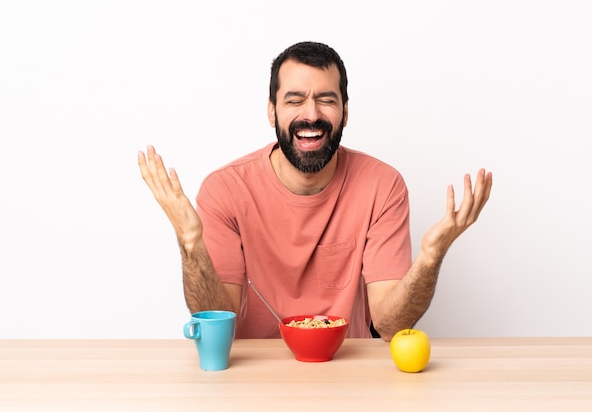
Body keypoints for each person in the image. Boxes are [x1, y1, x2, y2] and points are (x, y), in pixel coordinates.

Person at [138, 41, 492, 341]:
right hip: (252, 378)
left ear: (345, 112)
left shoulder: (382, 186)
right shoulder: (226, 189)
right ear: (272, 112)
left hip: (347, 372)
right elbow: (219, 325)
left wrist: (430, 257)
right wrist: (190, 243)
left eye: (326, 99)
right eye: (294, 100)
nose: (311, 114)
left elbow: (389, 326)